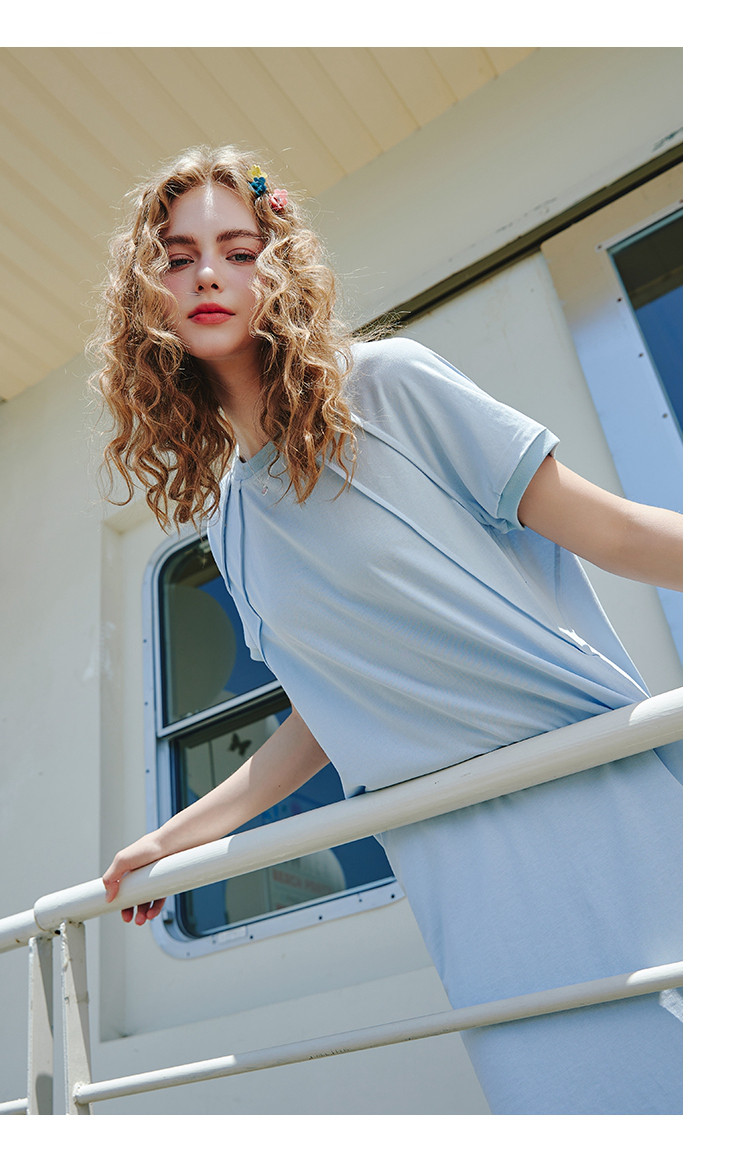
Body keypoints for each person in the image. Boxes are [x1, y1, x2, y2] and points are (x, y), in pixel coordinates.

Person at [95, 145, 682, 1115]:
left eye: (237, 250)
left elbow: (615, 533)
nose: (207, 275)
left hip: (598, 798)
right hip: (456, 868)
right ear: (145, 295)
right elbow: (325, 714)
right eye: (178, 257)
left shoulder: (392, 387)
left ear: (279, 266)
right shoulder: (230, 528)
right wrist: (170, 838)